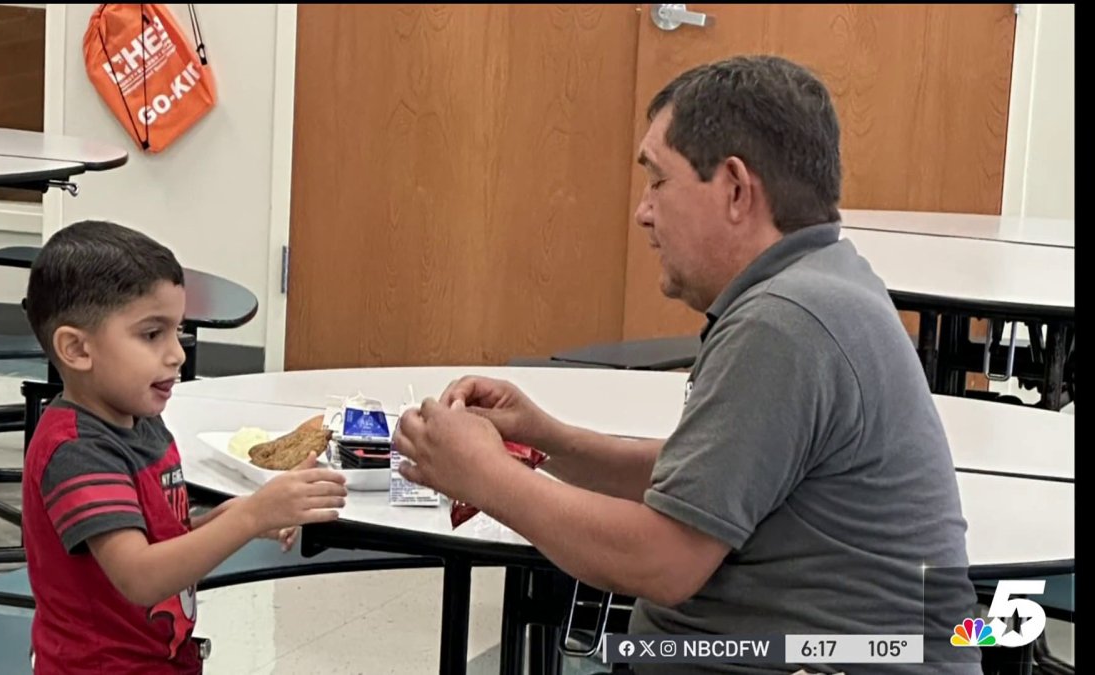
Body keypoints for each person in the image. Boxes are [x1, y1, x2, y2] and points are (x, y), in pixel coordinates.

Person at [392, 56, 980, 674]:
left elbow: (662, 562)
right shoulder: (824, 282)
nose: (643, 211)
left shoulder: (784, 321)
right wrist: (546, 439)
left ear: (735, 190)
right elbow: (705, 485)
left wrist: (484, 476)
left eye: (658, 181)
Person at [21, 220, 348, 674]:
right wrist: (252, 516)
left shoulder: (141, 422)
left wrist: (238, 515)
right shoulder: (76, 449)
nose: (177, 353)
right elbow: (140, 575)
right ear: (76, 349)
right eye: (152, 334)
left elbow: (159, 538)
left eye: (177, 330)